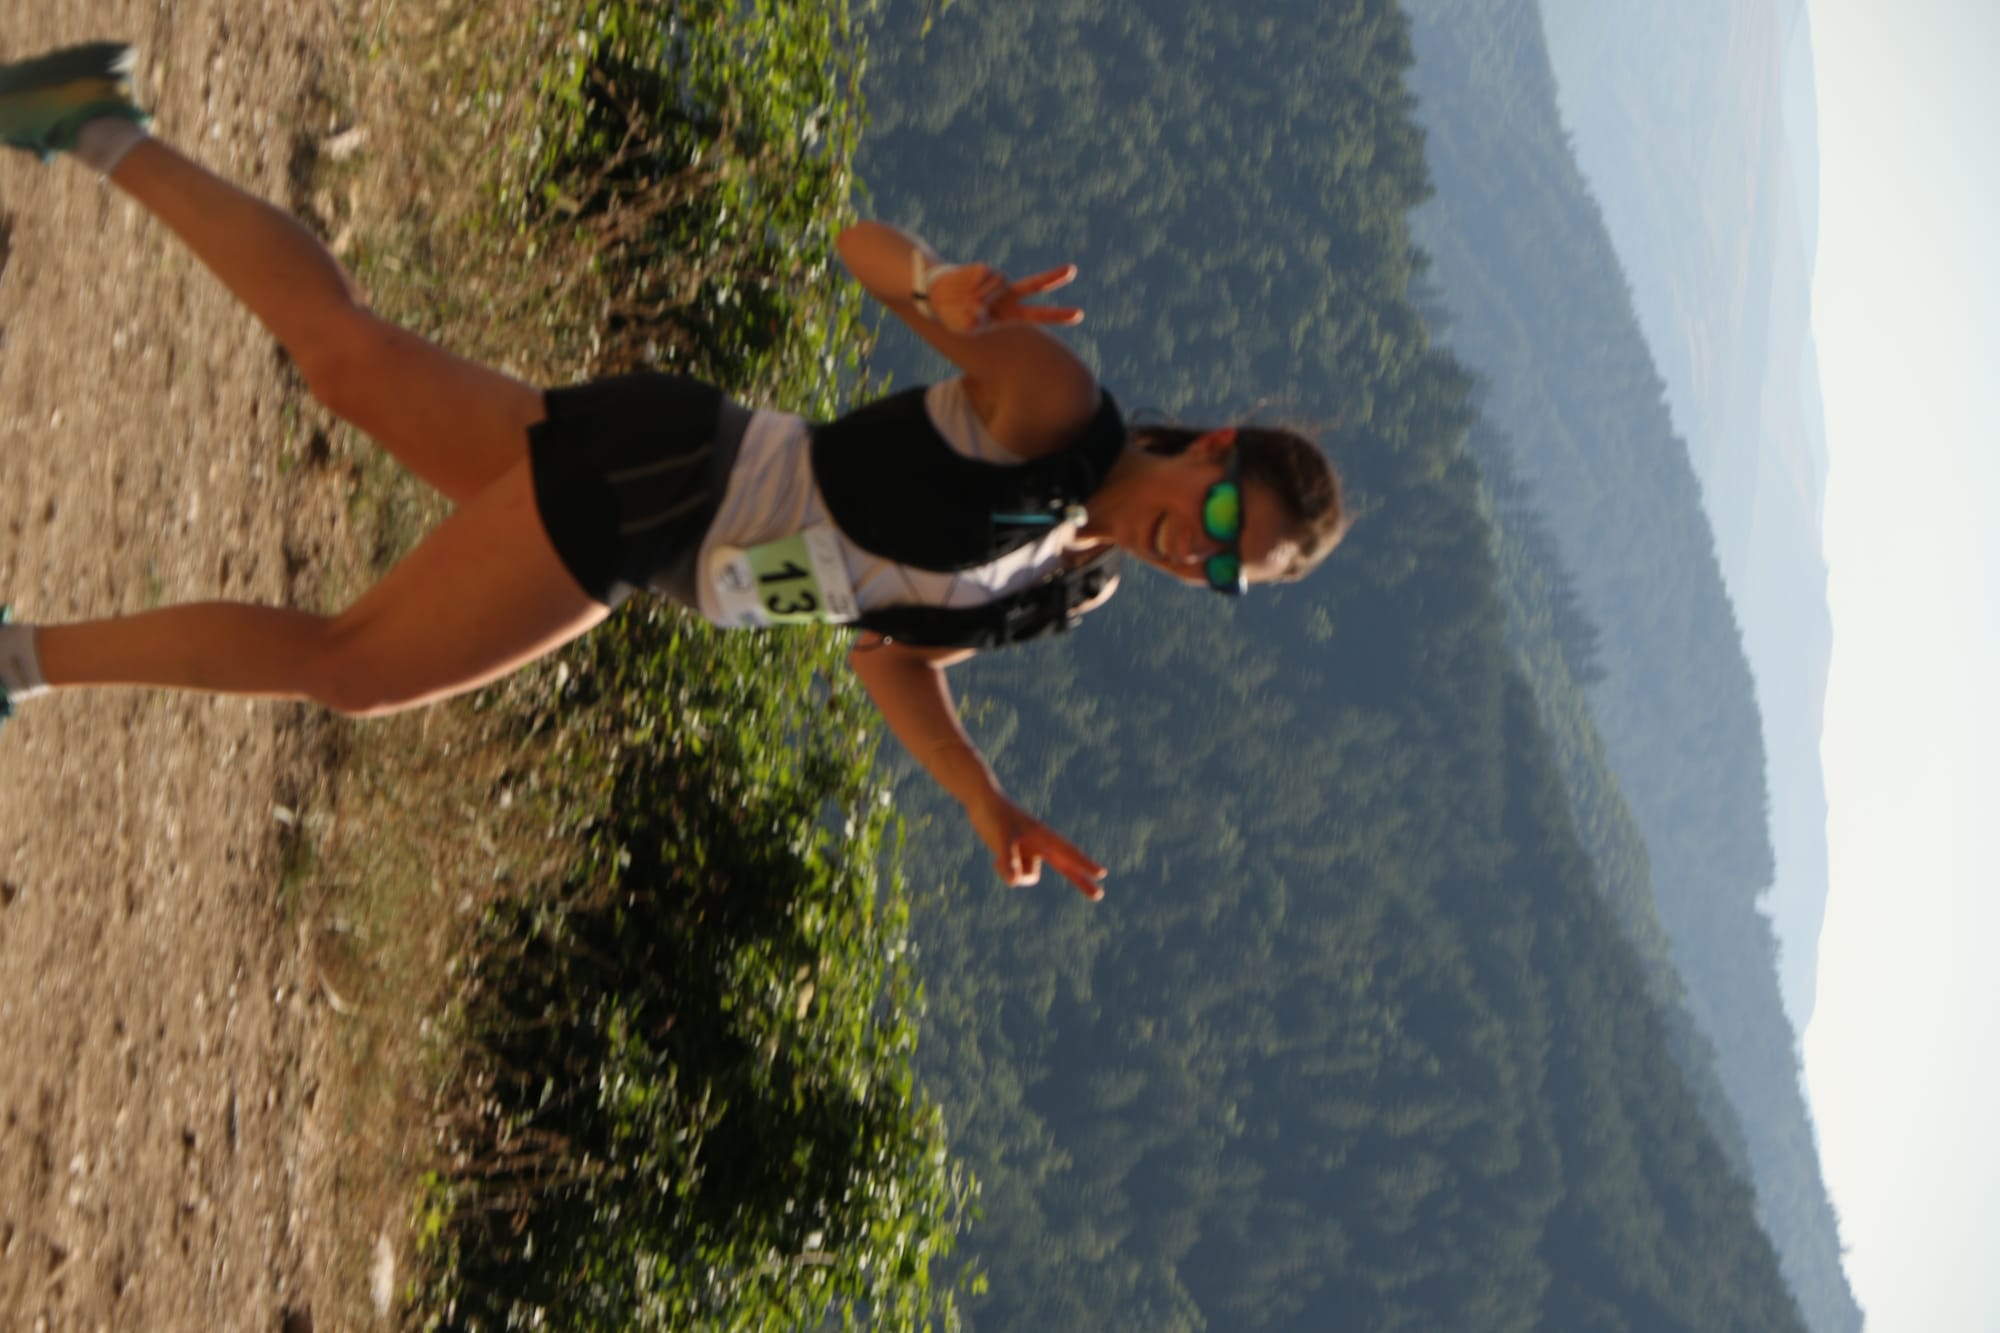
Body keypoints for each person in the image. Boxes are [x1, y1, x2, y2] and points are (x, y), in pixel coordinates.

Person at [0, 42, 1346, 900]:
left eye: (1231, 567)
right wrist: (941, 282)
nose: (1202, 548)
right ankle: (17, 659)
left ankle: (95, 120)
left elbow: (887, 649)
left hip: (668, 499)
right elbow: (859, 248)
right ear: (1212, 450)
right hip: (673, 489)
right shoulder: (1058, 407)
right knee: (354, 667)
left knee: (346, 364)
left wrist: (983, 797)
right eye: (1223, 515)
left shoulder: (1070, 584)